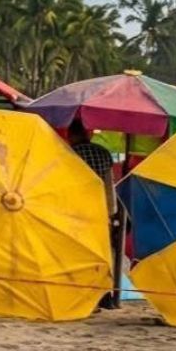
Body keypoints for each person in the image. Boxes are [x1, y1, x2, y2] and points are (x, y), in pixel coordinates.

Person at [67, 119, 118, 309]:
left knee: (80, 254)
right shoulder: (103, 153)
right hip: (102, 210)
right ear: (87, 134)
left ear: (71, 135)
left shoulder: (69, 154)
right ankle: (105, 295)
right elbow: (109, 184)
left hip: (77, 211)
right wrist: (112, 211)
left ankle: (82, 294)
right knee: (103, 252)